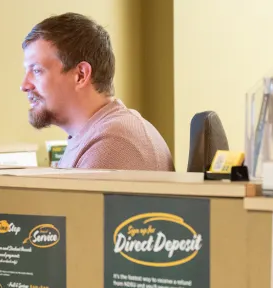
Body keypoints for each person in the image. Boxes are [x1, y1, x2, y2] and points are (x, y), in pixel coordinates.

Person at [20, 12, 173, 170]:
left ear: (80, 75)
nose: (24, 85)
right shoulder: (93, 137)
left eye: (37, 71)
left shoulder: (114, 142)